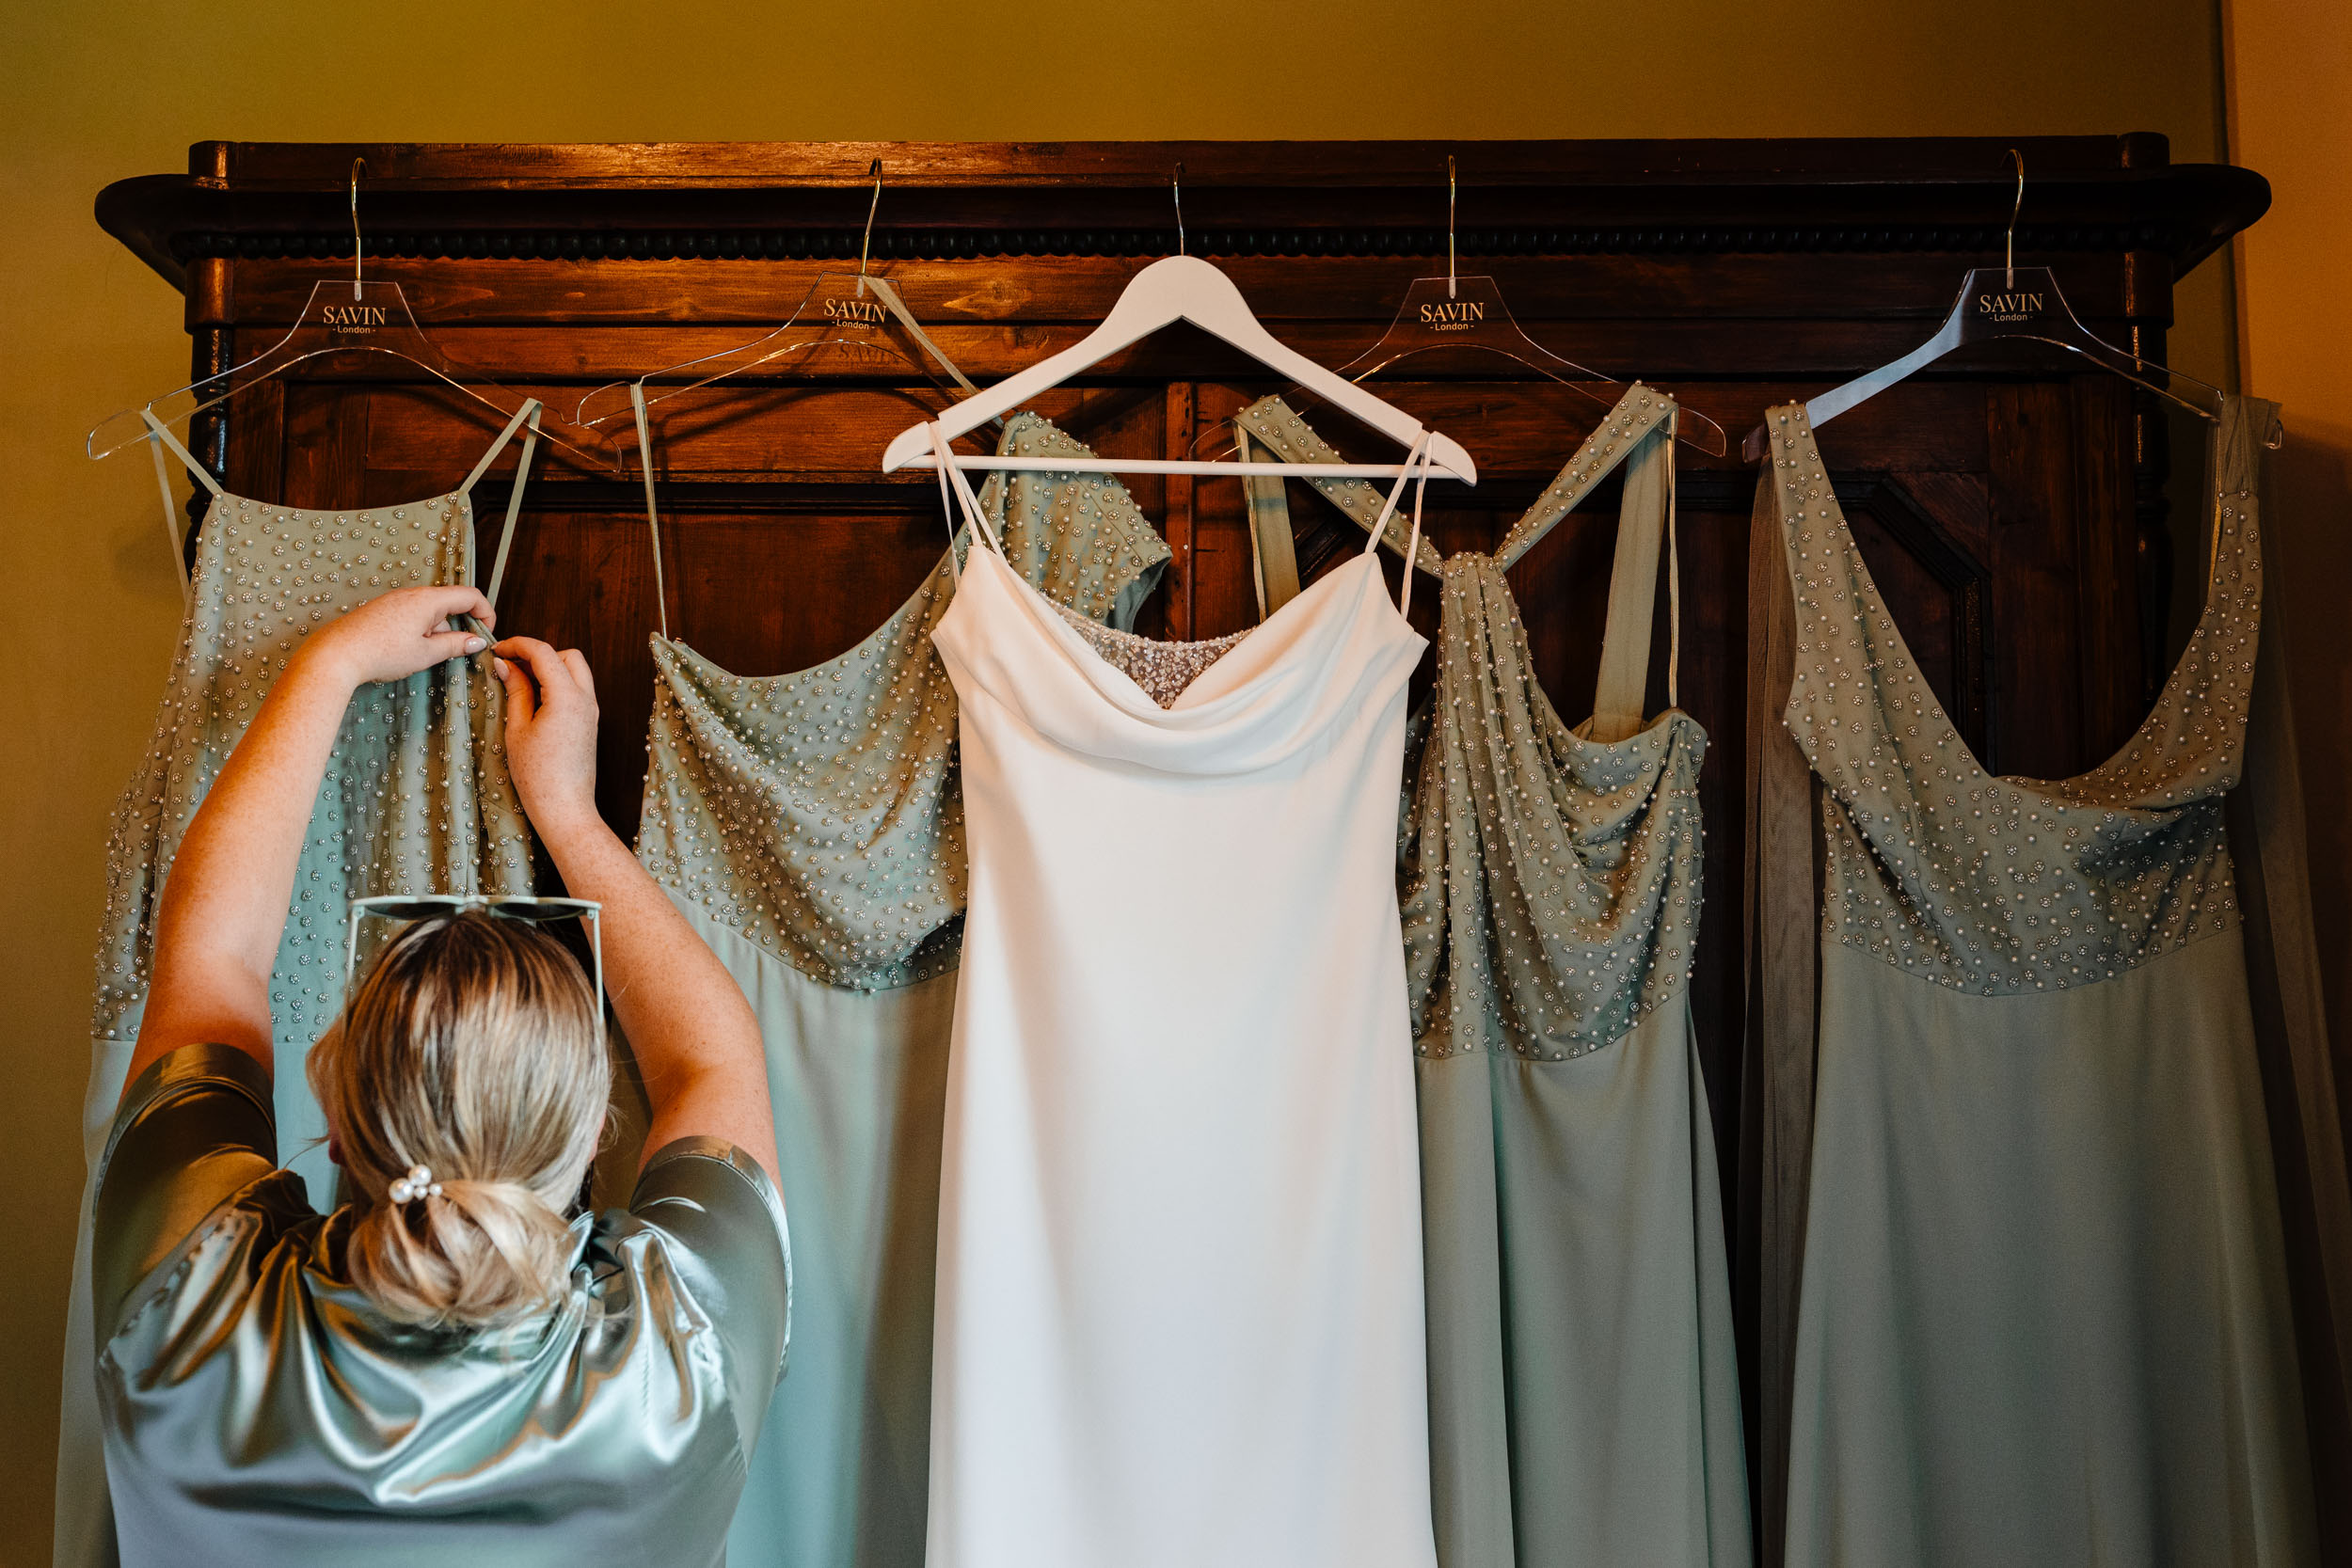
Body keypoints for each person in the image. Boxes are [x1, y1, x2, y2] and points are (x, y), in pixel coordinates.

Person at [86, 585, 788, 1567]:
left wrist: (327, 666)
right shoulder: (676, 1366)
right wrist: (565, 811)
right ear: (596, 1132)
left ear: (335, 1117)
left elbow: (215, 952)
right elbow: (711, 1056)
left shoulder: (186, 1299)